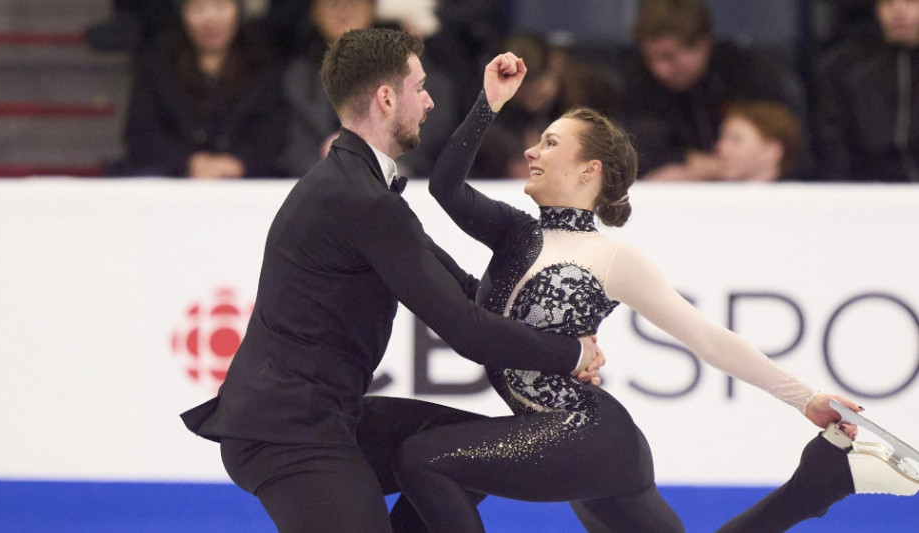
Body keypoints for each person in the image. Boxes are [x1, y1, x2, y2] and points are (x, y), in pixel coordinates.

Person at [391, 54, 915, 532]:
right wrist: (489, 103)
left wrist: (806, 398)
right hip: (566, 435)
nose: (532, 149)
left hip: (585, 436)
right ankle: (824, 480)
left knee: (422, 458)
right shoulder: (513, 232)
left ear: (588, 170)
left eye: (551, 142)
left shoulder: (613, 258)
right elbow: (445, 188)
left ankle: (824, 479)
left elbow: (708, 339)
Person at [179, 28, 604, 533]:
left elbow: (465, 288)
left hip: (327, 414)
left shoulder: (359, 187)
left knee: (474, 453)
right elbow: (464, 327)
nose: (427, 101)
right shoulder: (362, 201)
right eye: (419, 87)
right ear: (386, 99)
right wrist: (571, 354)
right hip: (287, 430)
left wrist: (554, 339)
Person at [618, 0, 805, 181]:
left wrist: (699, 169)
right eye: (650, 58)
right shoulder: (639, 82)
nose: (660, 70)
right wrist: (725, 168)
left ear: (703, 45)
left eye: (670, 56)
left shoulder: (747, 74)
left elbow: (785, 145)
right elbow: (635, 150)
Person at [276, 0, 459, 178]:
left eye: (354, 2)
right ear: (314, 11)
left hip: (399, 181)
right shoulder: (296, 75)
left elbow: (435, 119)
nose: (344, 10)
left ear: (372, 8)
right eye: (332, 2)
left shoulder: (406, 64)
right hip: (317, 184)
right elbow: (289, 141)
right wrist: (327, 166)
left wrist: (388, 159)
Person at [114, 0, 286, 178]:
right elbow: (141, 132)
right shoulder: (158, 62)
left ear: (237, 10)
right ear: (182, 14)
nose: (210, 19)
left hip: (248, 181)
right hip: (172, 181)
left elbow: (273, 130)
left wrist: (238, 163)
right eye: (198, 8)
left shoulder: (262, 61)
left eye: (220, 6)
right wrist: (189, 163)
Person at [471, 31, 619, 179]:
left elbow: (613, 143)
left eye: (539, 95)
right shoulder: (491, 106)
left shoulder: (592, 92)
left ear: (555, 66)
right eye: (523, 98)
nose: (532, 106)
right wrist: (509, 165)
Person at [811, 0, 919, 182]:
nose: (898, 12)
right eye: (888, 4)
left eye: (911, 2)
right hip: (865, 190)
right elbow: (831, 137)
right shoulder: (845, 67)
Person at [712, 100, 803, 182]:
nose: (721, 147)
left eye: (736, 140)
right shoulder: (708, 197)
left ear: (770, 151)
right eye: (722, 138)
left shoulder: (801, 198)